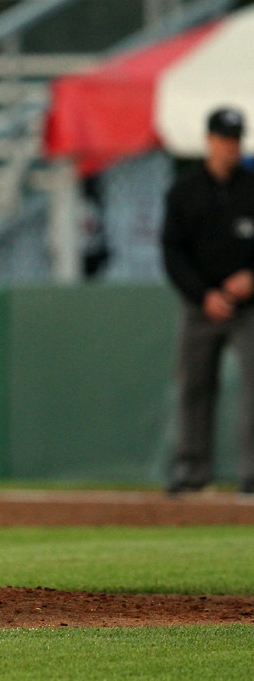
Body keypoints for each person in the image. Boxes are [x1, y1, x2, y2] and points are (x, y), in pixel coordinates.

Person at [162, 106, 254, 496]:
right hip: (201, 306)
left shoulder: (251, 187)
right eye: (224, 139)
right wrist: (203, 294)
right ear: (209, 140)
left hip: (248, 307)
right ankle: (192, 469)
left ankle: (251, 472)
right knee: (194, 387)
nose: (230, 146)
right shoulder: (186, 191)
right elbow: (172, 252)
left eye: (236, 139)